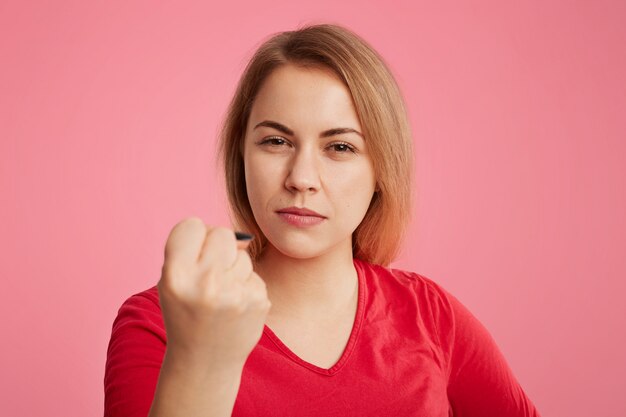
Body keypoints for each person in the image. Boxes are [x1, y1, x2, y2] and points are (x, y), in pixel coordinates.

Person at [104, 23, 541, 417]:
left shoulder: (432, 317)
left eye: (340, 148)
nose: (301, 179)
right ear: (241, 156)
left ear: (381, 172)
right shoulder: (158, 323)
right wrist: (202, 358)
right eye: (275, 141)